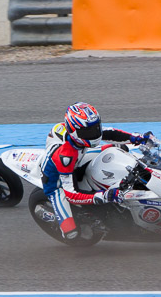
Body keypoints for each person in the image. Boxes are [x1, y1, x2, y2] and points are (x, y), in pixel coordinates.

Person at [41, 102, 152, 239]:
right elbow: (70, 194)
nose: (94, 134)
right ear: (74, 132)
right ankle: (52, 217)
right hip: (57, 181)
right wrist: (103, 196)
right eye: (88, 132)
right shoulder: (66, 157)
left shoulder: (84, 131)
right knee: (71, 234)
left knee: (119, 149)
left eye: (96, 128)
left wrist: (137, 138)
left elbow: (111, 133)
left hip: (79, 158)